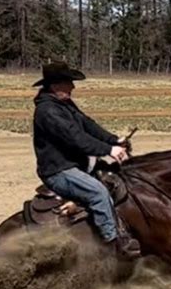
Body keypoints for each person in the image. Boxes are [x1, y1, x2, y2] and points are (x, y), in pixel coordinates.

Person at [32, 61, 141, 260]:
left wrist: (114, 139)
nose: (73, 87)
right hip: (59, 170)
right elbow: (76, 138)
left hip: (73, 164)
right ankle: (113, 243)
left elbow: (87, 125)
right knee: (98, 192)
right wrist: (109, 150)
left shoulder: (64, 104)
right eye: (69, 83)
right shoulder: (48, 111)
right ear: (56, 85)